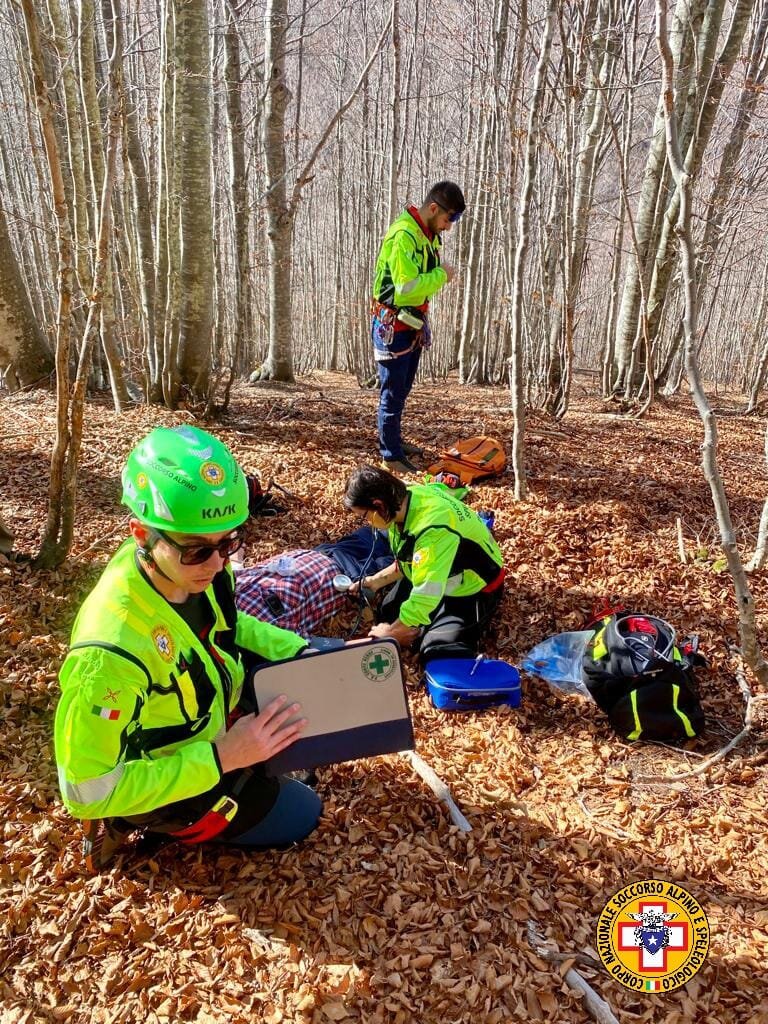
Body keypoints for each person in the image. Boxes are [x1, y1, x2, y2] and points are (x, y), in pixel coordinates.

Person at [54, 425, 321, 871]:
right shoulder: (109, 654)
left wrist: (299, 651)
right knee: (303, 814)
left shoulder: (193, 562)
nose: (218, 563)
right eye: (198, 550)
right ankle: (130, 821)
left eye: (229, 542)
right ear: (141, 533)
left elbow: (233, 625)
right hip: (172, 767)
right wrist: (224, 756)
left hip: (209, 719)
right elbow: (85, 788)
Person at [343, 465, 505, 664]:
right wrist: (376, 581)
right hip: (441, 574)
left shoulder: (433, 529)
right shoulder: (405, 500)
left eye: (364, 516)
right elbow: (408, 559)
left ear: (380, 505)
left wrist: (392, 633)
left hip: (472, 588)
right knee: (387, 611)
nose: (367, 522)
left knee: (437, 652)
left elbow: (426, 595)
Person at [370, 180, 465, 474]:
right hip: (392, 325)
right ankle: (390, 455)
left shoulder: (429, 235)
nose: (449, 226)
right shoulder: (404, 236)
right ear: (434, 208)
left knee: (403, 388)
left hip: (412, 322)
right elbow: (405, 287)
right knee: (392, 392)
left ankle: (395, 441)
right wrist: (441, 275)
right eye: (450, 218)